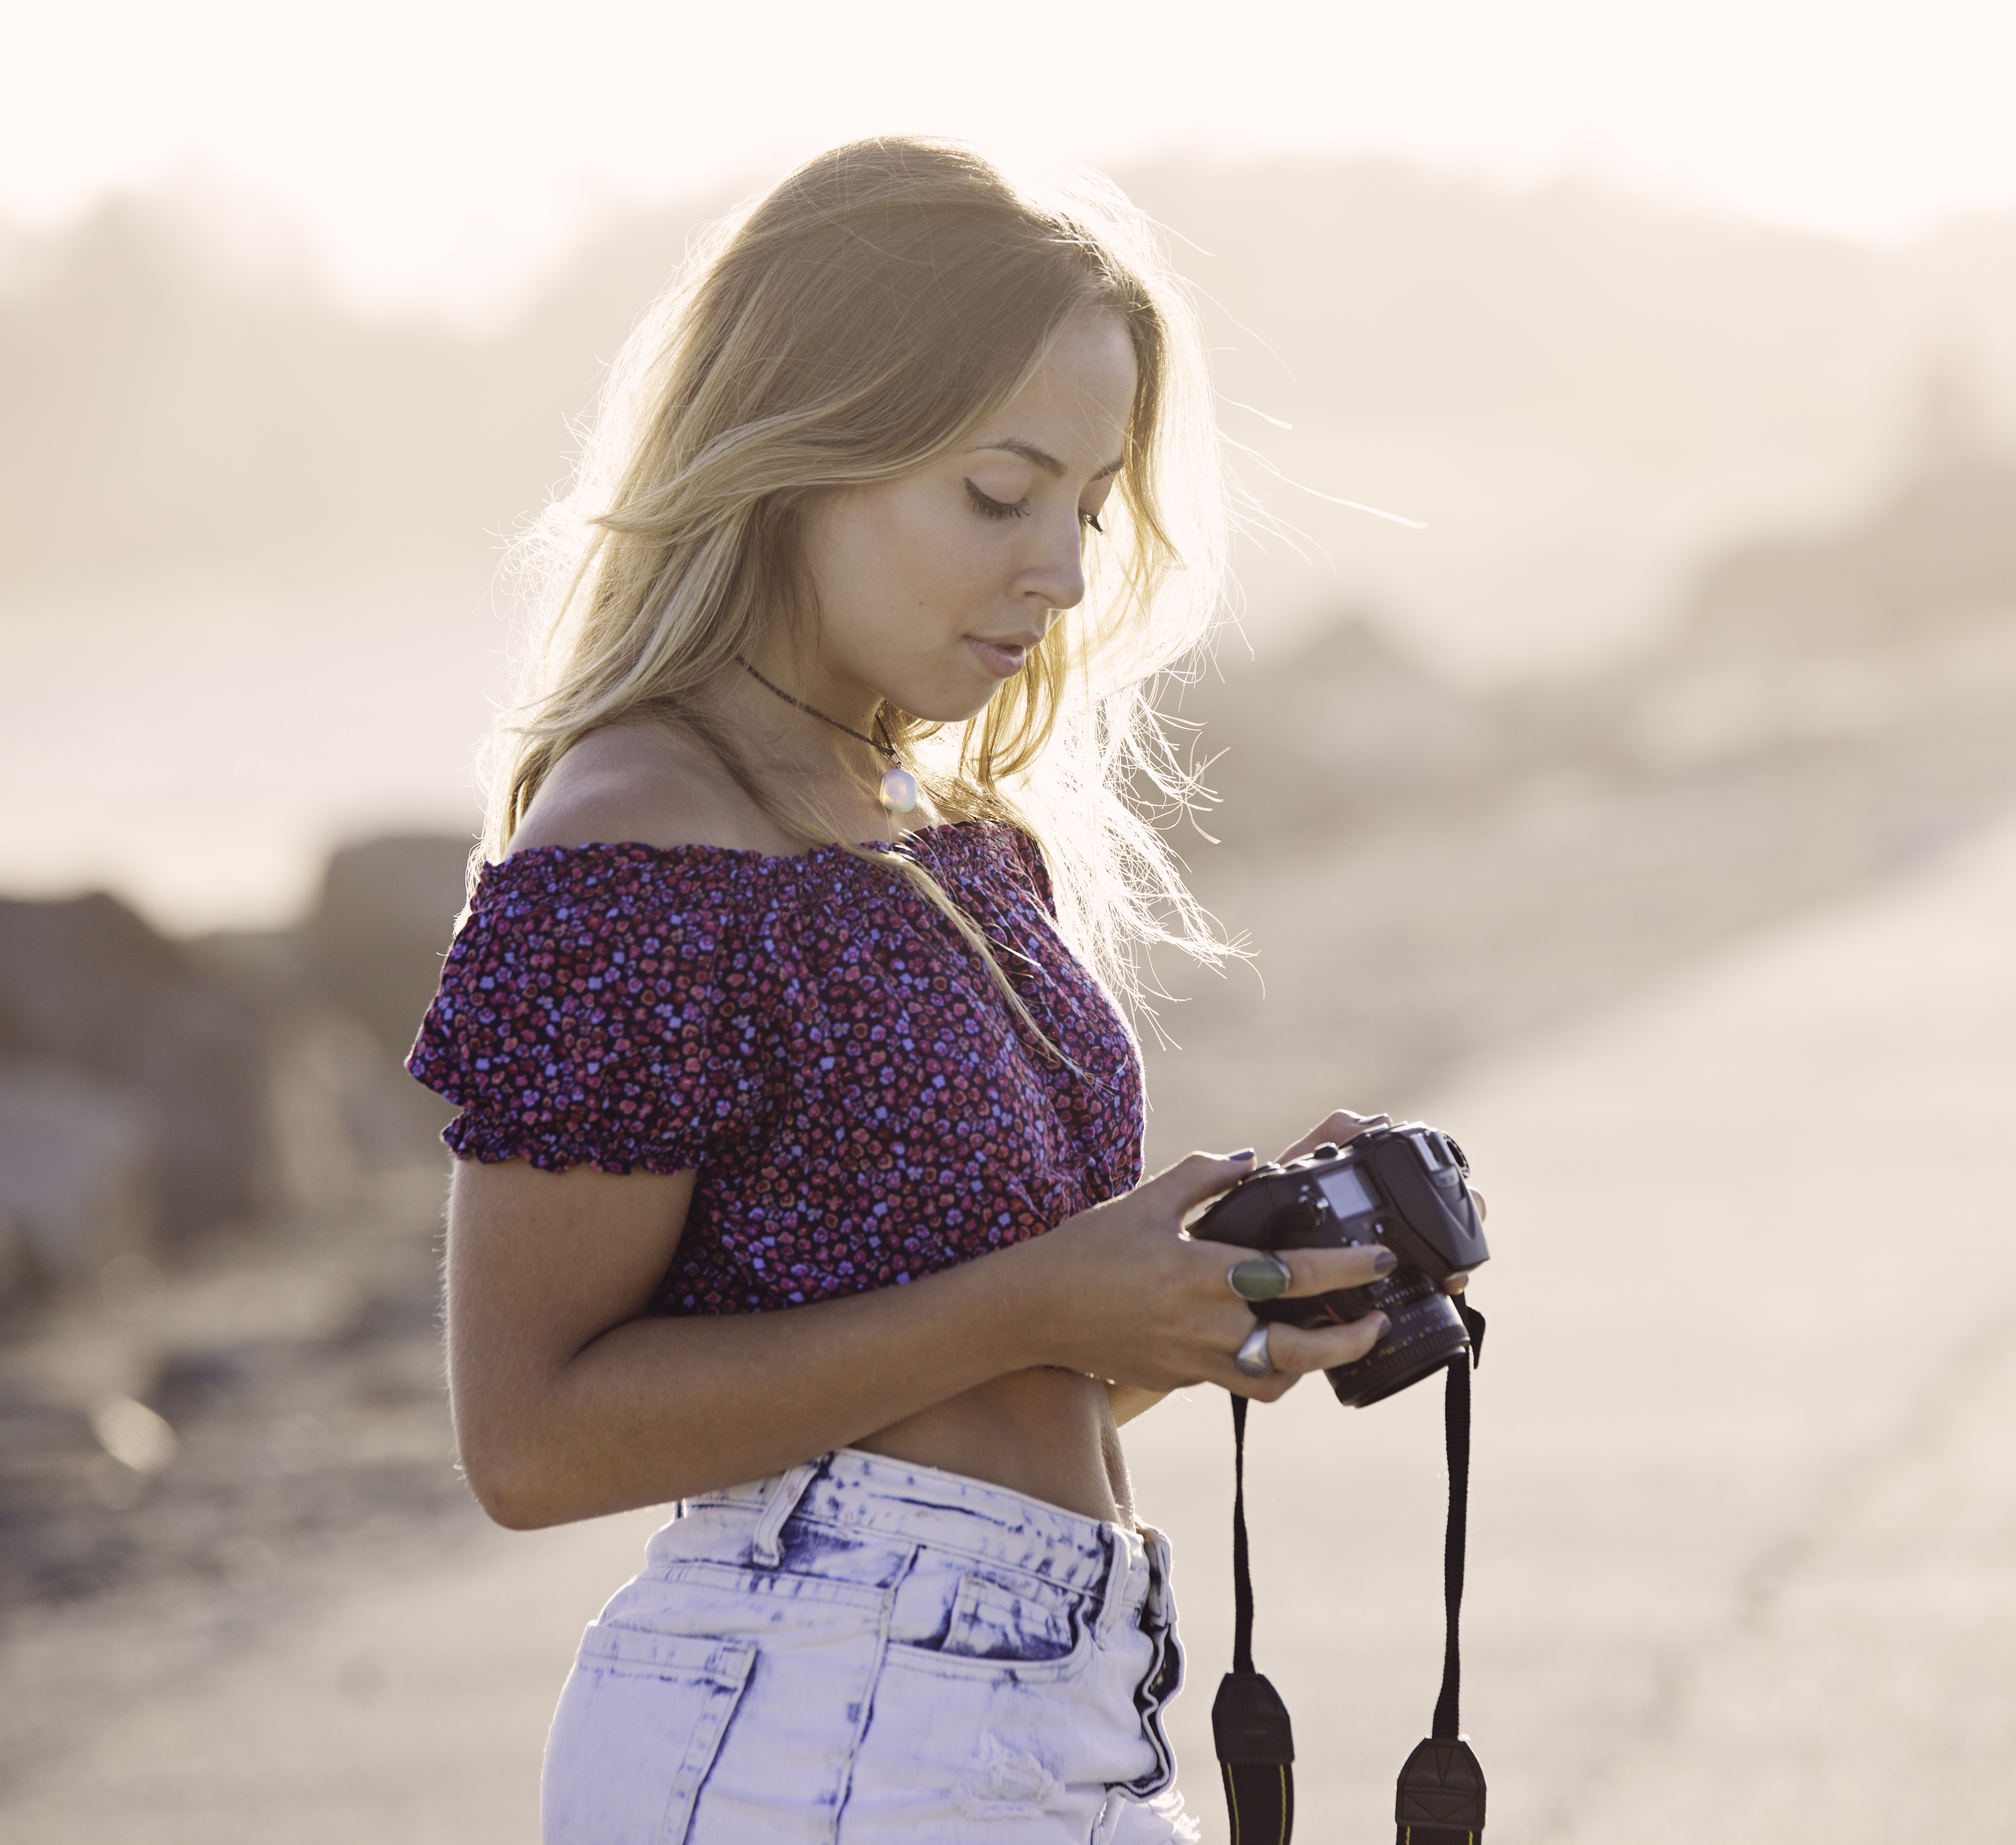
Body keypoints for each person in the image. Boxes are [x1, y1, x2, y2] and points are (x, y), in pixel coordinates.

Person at [407, 137, 1414, 1844]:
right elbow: (531, 1442)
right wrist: (1039, 1304)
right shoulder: (642, 847)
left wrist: (1200, 1311)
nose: (1067, 571)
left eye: (1087, 505)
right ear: (802, 450)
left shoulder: (940, 832)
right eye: (998, 492)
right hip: (819, 1727)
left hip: (1049, 1708)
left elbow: (969, 1379)